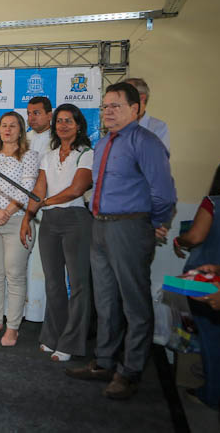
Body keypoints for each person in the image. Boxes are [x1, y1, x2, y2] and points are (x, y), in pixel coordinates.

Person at [65, 81, 176, 400]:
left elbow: (164, 193)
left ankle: (130, 371)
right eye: (104, 106)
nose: (108, 111)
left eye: (116, 105)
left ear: (135, 108)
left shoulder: (147, 142)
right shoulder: (102, 144)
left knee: (135, 303)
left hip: (130, 228)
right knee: (106, 300)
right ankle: (103, 362)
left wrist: (152, 224)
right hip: (99, 226)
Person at [20, 104, 93, 361]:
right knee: (53, 283)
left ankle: (71, 343)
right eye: (59, 121)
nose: (62, 125)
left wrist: (46, 203)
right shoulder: (48, 156)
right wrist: (28, 216)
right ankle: (52, 337)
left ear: (79, 125)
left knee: (79, 284)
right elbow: (39, 190)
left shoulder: (86, 154)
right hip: (50, 222)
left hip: (76, 221)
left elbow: (76, 189)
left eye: (68, 121)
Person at [0, 112, 39, 347]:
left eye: (12, 126)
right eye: (3, 126)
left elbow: (26, 188)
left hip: (16, 221)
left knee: (14, 275)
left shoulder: (29, 155)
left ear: (21, 130)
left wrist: (4, 214)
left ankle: (13, 327)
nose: (7, 129)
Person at [174, 162, 220, 410]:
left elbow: (195, 237)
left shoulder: (213, 203)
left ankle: (211, 394)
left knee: (212, 340)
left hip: (207, 282)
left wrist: (178, 238)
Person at [124, 77, 169, 151]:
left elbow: (158, 158)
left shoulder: (158, 127)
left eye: (126, 96)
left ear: (142, 98)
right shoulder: (117, 126)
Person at [25, 96, 52, 161]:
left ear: (49, 116)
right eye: (29, 114)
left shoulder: (59, 139)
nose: (31, 118)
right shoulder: (23, 138)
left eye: (36, 113)